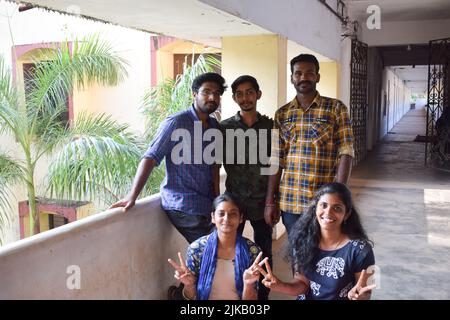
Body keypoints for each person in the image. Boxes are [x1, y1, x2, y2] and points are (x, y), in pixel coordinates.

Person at [110, 72, 226, 244]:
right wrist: (132, 195)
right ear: (194, 94)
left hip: (206, 204)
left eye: (216, 93)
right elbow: (151, 157)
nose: (212, 97)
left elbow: (214, 167)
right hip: (183, 204)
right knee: (211, 248)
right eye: (206, 91)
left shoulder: (214, 126)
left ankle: (193, 271)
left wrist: (217, 201)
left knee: (213, 248)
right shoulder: (176, 122)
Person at [265, 54, 355, 237]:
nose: (303, 78)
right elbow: (276, 159)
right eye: (298, 73)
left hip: (323, 202)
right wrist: (270, 202)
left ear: (317, 77)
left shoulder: (336, 108)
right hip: (291, 202)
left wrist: (337, 196)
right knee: (297, 257)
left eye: (309, 73)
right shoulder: (282, 114)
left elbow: (346, 151)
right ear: (292, 78)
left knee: (323, 252)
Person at [257, 182, 376, 300]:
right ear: (315, 208)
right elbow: (302, 284)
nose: (328, 212)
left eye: (337, 208)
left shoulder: (360, 250)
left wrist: (359, 297)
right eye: (323, 205)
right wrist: (279, 286)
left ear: (347, 214)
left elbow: (365, 291)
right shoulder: (303, 240)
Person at [219, 75, 274, 300]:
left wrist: (272, 201)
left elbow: (275, 165)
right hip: (235, 202)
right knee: (232, 250)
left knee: (264, 252)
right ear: (234, 98)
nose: (245, 98)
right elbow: (213, 163)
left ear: (258, 94)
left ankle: (262, 296)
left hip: (262, 201)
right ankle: (235, 293)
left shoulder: (270, 126)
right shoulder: (224, 128)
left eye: (250, 92)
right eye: (239, 94)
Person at [168, 194, 266, 300]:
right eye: (221, 214)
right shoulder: (197, 249)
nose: (226, 219)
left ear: (241, 218)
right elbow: (190, 297)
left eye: (233, 214)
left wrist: (248, 284)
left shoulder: (252, 251)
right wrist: (189, 285)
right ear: (213, 217)